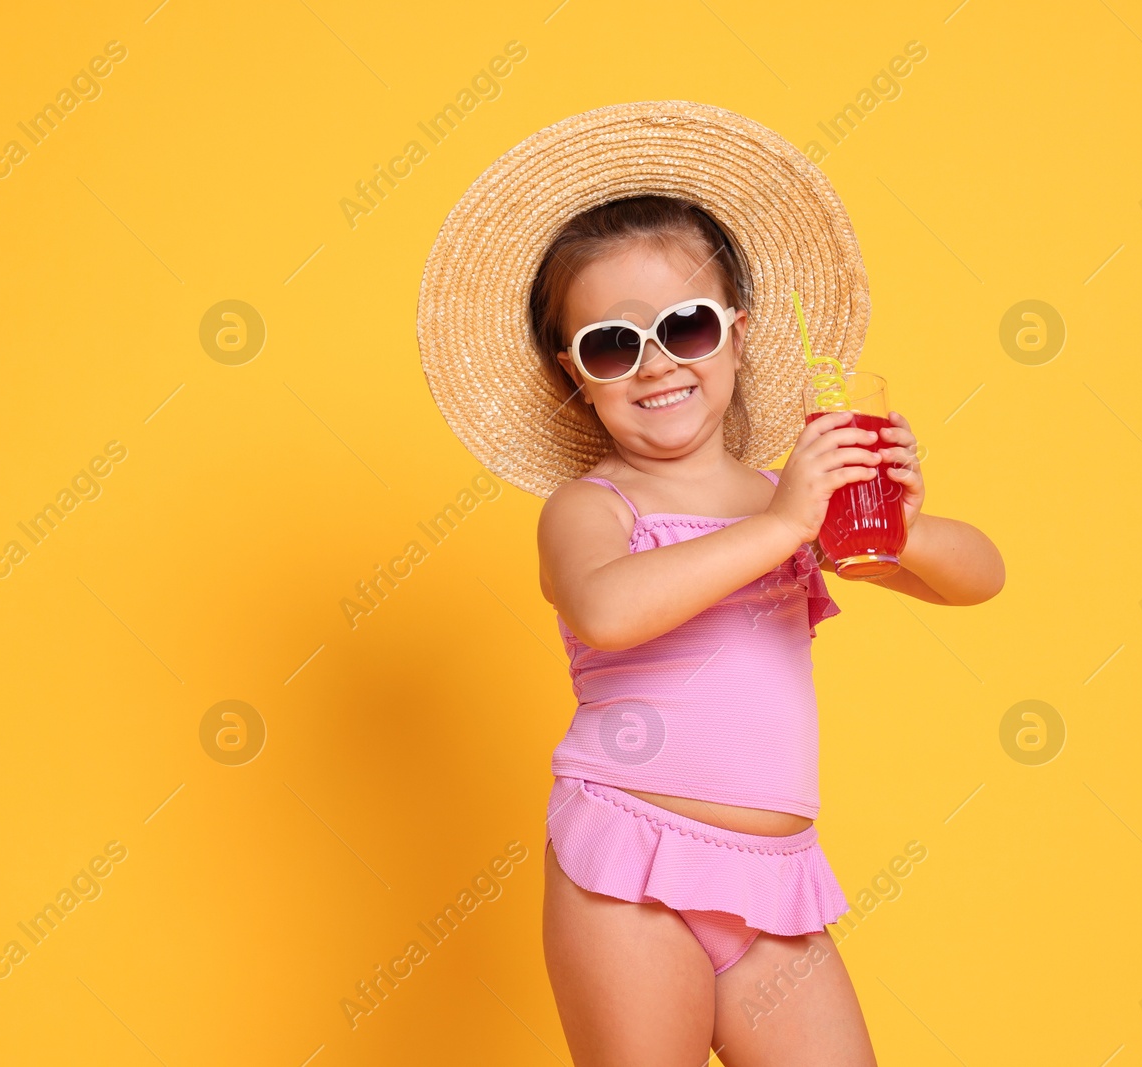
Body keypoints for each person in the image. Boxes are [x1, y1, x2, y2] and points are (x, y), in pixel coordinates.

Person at [416, 101, 1004, 1065]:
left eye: (683, 326)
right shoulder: (593, 506)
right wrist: (781, 525)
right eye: (613, 344)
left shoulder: (798, 501)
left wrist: (899, 524)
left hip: (773, 884)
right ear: (577, 373)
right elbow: (606, 610)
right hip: (631, 867)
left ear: (736, 331)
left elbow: (978, 577)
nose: (655, 365)